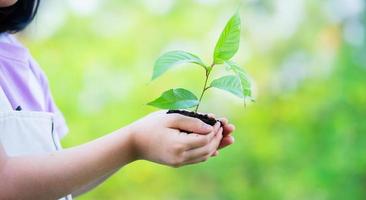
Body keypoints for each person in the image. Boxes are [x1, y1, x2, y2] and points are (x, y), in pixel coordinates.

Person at [0, 0, 236, 199]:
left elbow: (55, 184)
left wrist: (138, 147)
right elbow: (5, 182)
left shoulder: (25, 66)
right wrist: (133, 142)